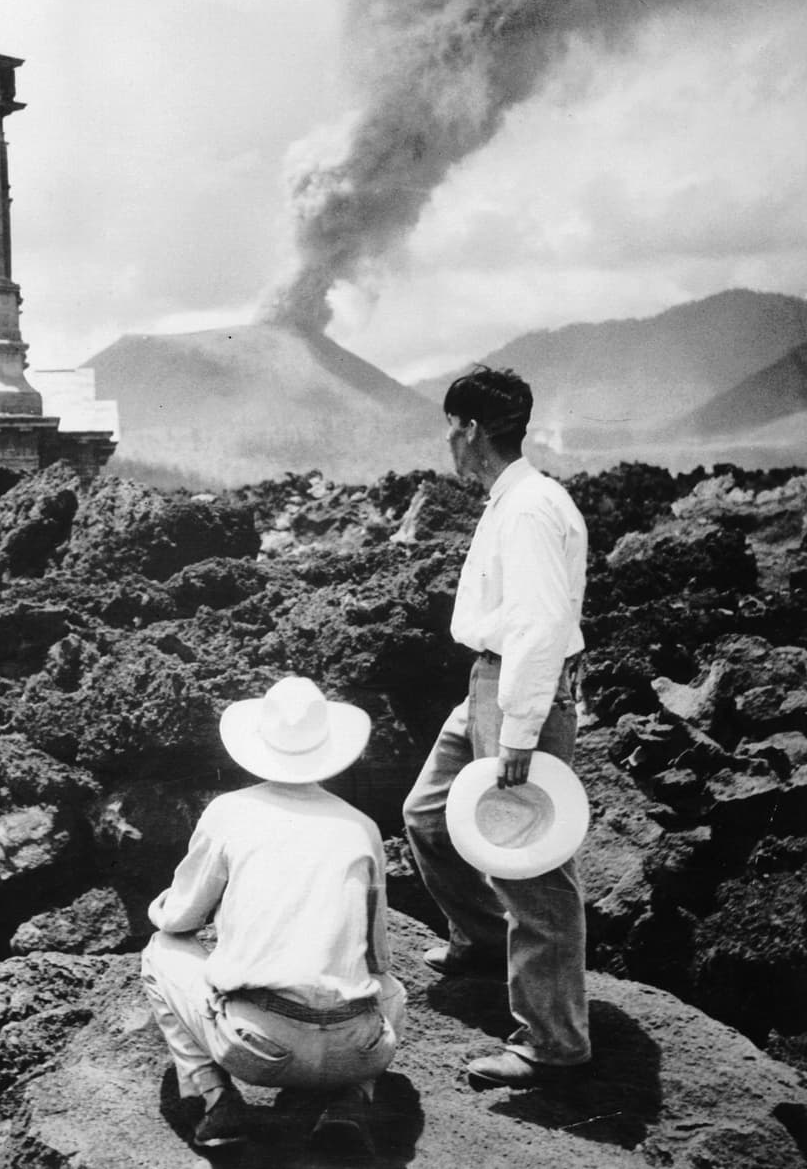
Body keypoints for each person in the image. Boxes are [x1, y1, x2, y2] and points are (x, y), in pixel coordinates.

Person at [402, 365, 590, 1088]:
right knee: (426, 812)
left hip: (517, 693)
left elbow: (543, 624)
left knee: (533, 866)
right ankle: (482, 937)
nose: (448, 439)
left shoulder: (531, 506)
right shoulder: (511, 499)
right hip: (488, 681)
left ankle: (553, 1040)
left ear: (473, 428)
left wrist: (517, 730)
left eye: (452, 425)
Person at [141, 676, 407, 1152]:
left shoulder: (228, 811)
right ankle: (350, 1101)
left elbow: (180, 920)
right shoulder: (362, 827)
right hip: (358, 1050)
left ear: (258, 745)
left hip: (257, 1049)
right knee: (392, 989)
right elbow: (379, 958)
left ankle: (215, 1097)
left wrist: (166, 909)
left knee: (161, 951)